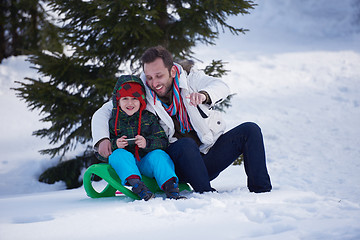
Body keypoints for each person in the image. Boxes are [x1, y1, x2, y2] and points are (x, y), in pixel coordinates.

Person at [92, 46, 272, 194]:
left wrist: (204, 95)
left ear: (171, 70)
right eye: (150, 77)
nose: (154, 83)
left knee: (250, 130)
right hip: (176, 162)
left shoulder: (190, 79)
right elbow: (104, 112)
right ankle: (206, 194)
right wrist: (102, 139)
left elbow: (221, 86)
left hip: (207, 155)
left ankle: (261, 190)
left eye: (159, 75)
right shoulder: (142, 90)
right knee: (185, 144)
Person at [99, 74, 185, 200]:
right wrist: (115, 144)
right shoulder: (112, 121)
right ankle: (139, 188)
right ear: (118, 101)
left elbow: (163, 141)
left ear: (141, 101)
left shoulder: (148, 118)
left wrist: (147, 143)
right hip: (126, 166)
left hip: (145, 162)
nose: (130, 103)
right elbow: (100, 153)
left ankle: (171, 188)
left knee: (159, 155)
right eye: (125, 99)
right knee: (118, 154)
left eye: (134, 99)